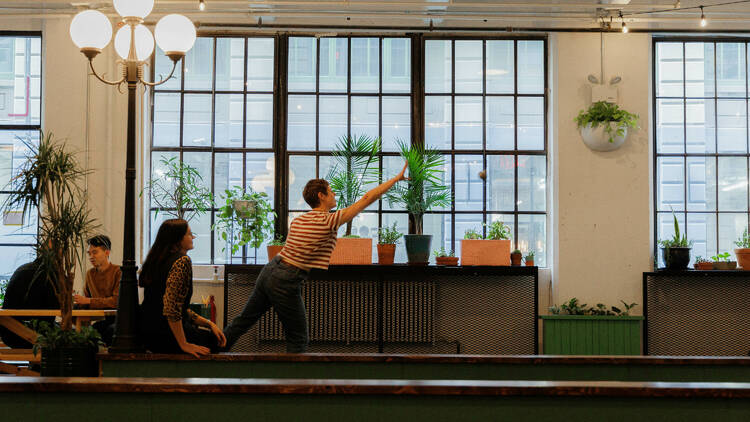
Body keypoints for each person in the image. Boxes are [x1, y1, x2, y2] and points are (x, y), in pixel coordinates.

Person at [222, 161, 408, 353]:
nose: (334, 193)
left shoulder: (300, 219)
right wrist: (395, 179)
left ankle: (210, 353)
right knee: (298, 339)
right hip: (286, 278)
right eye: (331, 191)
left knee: (242, 321)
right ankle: (294, 382)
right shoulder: (329, 220)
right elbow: (367, 198)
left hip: (270, 270)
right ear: (321, 196)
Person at [137, 219, 226, 357]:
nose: (193, 237)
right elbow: (171, 308)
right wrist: (183, 344)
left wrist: (209, 324)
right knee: (216, 341)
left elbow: (179, 308)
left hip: (146, 331)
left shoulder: (157, 261)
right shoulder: (182, 261)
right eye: (189, 234)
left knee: (210, 334)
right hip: (165, 334)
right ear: (178, 238)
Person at [0, 257, 59, 348]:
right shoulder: (49, 275)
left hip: (9, 335)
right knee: (68, 335)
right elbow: (57, 307)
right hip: (37, 337)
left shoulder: (22, 269)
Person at [73, 235, 121, 346]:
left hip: (118, 319)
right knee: (83, 334)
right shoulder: (90, 274)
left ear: (107, 253)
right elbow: (86, 300)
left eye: (95, 252)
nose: (91, 257)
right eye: (89, 253)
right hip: (101, 319)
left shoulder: (118, 271)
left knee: (103, 333)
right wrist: (74, 301)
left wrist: (88, 301)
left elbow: (116, 301)